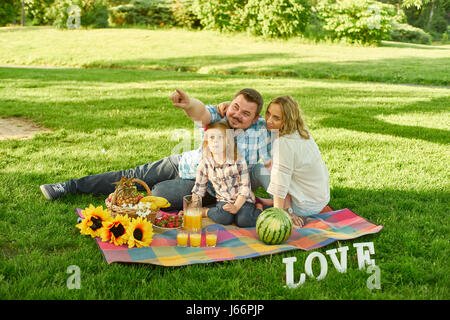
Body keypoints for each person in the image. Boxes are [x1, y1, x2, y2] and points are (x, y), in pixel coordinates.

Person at [40, 88, 272, 212]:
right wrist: (188, 103)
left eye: (245, 113)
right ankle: (69, 186)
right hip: (182, 163)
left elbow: (286, 124)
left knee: (159, 195)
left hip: (200, 185)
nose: (237, 115)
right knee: (131, 177)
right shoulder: (219, 114)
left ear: (256, 118)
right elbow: (200, 112)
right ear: (229, 104)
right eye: (235, 107)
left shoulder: (262, 129)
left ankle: (160, 193)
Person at [251, 96, 330, 228]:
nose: (269, 120)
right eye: (268, 113)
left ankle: (242, 198)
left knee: (257, 170)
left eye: (277, 118)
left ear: (287, 119)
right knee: (273, 168)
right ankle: (255, 199)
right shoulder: (302, 132)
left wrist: (282, 214)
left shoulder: (284, 143)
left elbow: (279, 183)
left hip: (303, 206)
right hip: (320, 201)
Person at [184, 121, 262, 227]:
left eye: (220, 138)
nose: (215, 141)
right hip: (224, 200)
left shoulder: (238, 161)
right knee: (223, 218)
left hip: (243, 199)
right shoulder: (205, 164)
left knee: (244, 220)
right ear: (207, 142)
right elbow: (198, 189)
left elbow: (245, 188)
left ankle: (259, 208)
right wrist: (193, 208)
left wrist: (236, 207)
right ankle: (205, 211)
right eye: (211, 137)